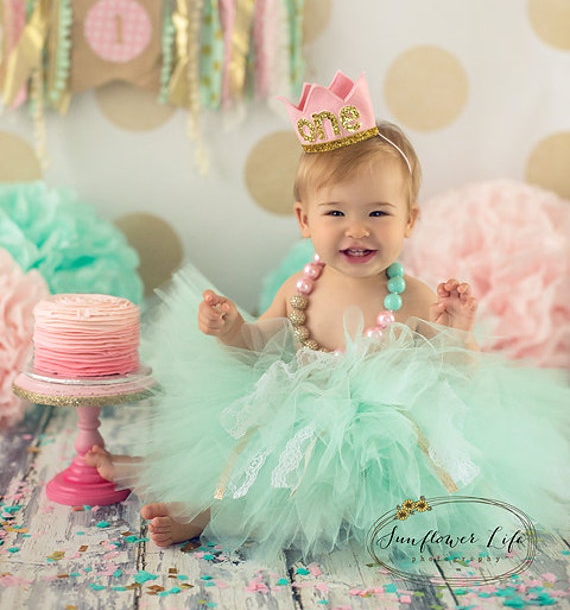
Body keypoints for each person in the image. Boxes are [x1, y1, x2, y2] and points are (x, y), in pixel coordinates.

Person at [87, 71, 569, 558]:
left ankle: (208, 512)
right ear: (304, 220)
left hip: (383, 442)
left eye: (378, 213)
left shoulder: (418, 297)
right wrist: (234, 330)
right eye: (336, 213)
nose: (356, 229)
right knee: (247, 439)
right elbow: (261, 347)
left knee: (301, 469)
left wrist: (457, 332)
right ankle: (159, 473)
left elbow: (461, 379)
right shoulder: (301, 288)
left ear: (410, 221)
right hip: (298, 409)